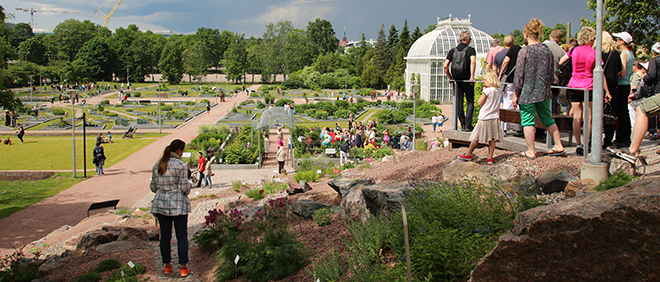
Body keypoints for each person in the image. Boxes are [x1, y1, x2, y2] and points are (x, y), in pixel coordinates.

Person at [511, 18, 565, 159]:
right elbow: (550, 72)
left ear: (526, 33)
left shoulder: (524, 51)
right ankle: (558, 145)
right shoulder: (547, 50)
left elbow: (520, 75)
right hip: (544, 90)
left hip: (528, 91)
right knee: (547, 118)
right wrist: (549, 89)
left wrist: (516, 93)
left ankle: (531, 150)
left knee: (528, 121)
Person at [149, 139, 192, 278]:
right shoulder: (180, 165)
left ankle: (166, 265)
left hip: (161, 204)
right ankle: (183, 267)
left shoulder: (158, 164)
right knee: (181, 236)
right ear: (179, 150)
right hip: (178, 204)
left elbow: (153, 187)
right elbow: (185, 187)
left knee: (165, 236)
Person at [559, 26, 596, 156]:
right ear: (591, 38)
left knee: (577, 116)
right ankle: (587, 143)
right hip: (588, 85)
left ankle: (578, 144)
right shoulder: (594, 52)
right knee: (589, 117)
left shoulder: (573, 50)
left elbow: (561, 60)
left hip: (574, 84)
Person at [458, 71, 503, 164]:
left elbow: (479, 103)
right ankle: (490, 157)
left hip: (484, 116)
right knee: (492, 138)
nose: (484, 83)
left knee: (476, 137)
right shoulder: (499, 91)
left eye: (484, 81)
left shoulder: (487, 91)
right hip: (495, 116)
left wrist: (484, 90)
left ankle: (468, 153)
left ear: (488, 80)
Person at [623, 42, 660, 157]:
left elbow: (651, 77)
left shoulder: (655, 61)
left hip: (656, 91)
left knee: (641, 110)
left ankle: (633, 150)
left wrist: (645, 80)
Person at [444, 31, 477, 131]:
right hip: (467, 79)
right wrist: (472, 76)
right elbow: (473, 62)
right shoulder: (470, 50)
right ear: (468, 40)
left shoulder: (453, 51)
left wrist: (450, 77)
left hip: (456, 80)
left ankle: (462, 123)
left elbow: (445, 66)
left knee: (459, 101)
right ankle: (468, 124)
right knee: (470, 101)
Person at [600, 32, 622, 149]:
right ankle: (608, 140)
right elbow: (619, 71)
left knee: (597, 115)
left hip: (599, 88)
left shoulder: (598, 53)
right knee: (609, 116)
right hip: (613, 87)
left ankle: (594, 140)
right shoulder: (615, 54)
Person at [613, 31, 634, 147]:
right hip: (626, 84)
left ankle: (621, 138)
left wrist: (614, 74)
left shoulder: (624, 54)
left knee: (621, 113)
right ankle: (626, 136)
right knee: (624, 111)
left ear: (622, 41)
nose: (615, 42)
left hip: (621, 84)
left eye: (617, 40)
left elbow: (623, 72)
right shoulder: (630, 53)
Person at [499, 35, 523, 135]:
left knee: (507, 102)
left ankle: (505, 127)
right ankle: (518, 127)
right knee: (517, 103)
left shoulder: (512, 50)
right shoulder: (521, 50)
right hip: (519, 79)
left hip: (510, 80)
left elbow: (506, 61)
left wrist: (500, 75)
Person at [543, 29, 567, 114]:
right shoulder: (562, 51)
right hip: (554, 80)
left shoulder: (543, 45)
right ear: (560, 39)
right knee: (553, 104)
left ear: (550, 35)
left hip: (542, 79)